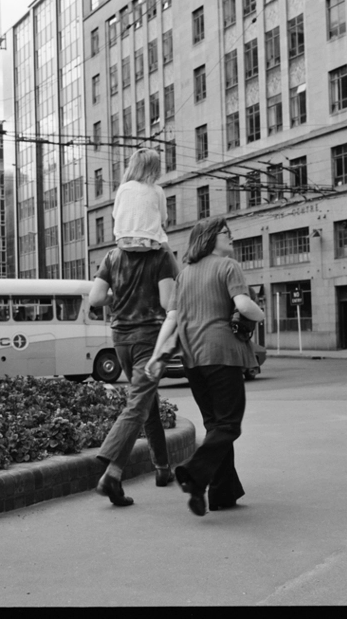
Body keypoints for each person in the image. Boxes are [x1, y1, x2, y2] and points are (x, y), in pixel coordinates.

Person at [146, 217, 265, 516]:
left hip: (192, 359)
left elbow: (171, 319)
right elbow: (244, 303)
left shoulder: (184, 275)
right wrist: (260, 313)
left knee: (215, 425)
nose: (232, 238)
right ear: (212, 237)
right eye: (227, 233)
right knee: (228, 425)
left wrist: (157, 354)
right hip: (222, 354)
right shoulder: (228, 266)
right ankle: (195, 473)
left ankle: (222, 493)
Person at [89, 241, 180, 507]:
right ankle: (112, 471)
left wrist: (116, 297)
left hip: (121, 341)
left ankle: (162, 467)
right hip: (149, 338)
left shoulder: (112, 256)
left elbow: (95, 299)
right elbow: (167, 301)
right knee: (138, 403)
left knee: (147, 401)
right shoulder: (162, 254)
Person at [113, 148, 169, 252]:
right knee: (165, 246)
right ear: (155, 169)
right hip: (149, 241)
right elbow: (163, 217)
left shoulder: (123, 188)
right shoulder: (157, 190)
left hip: (123, 240)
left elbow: (115, 215)